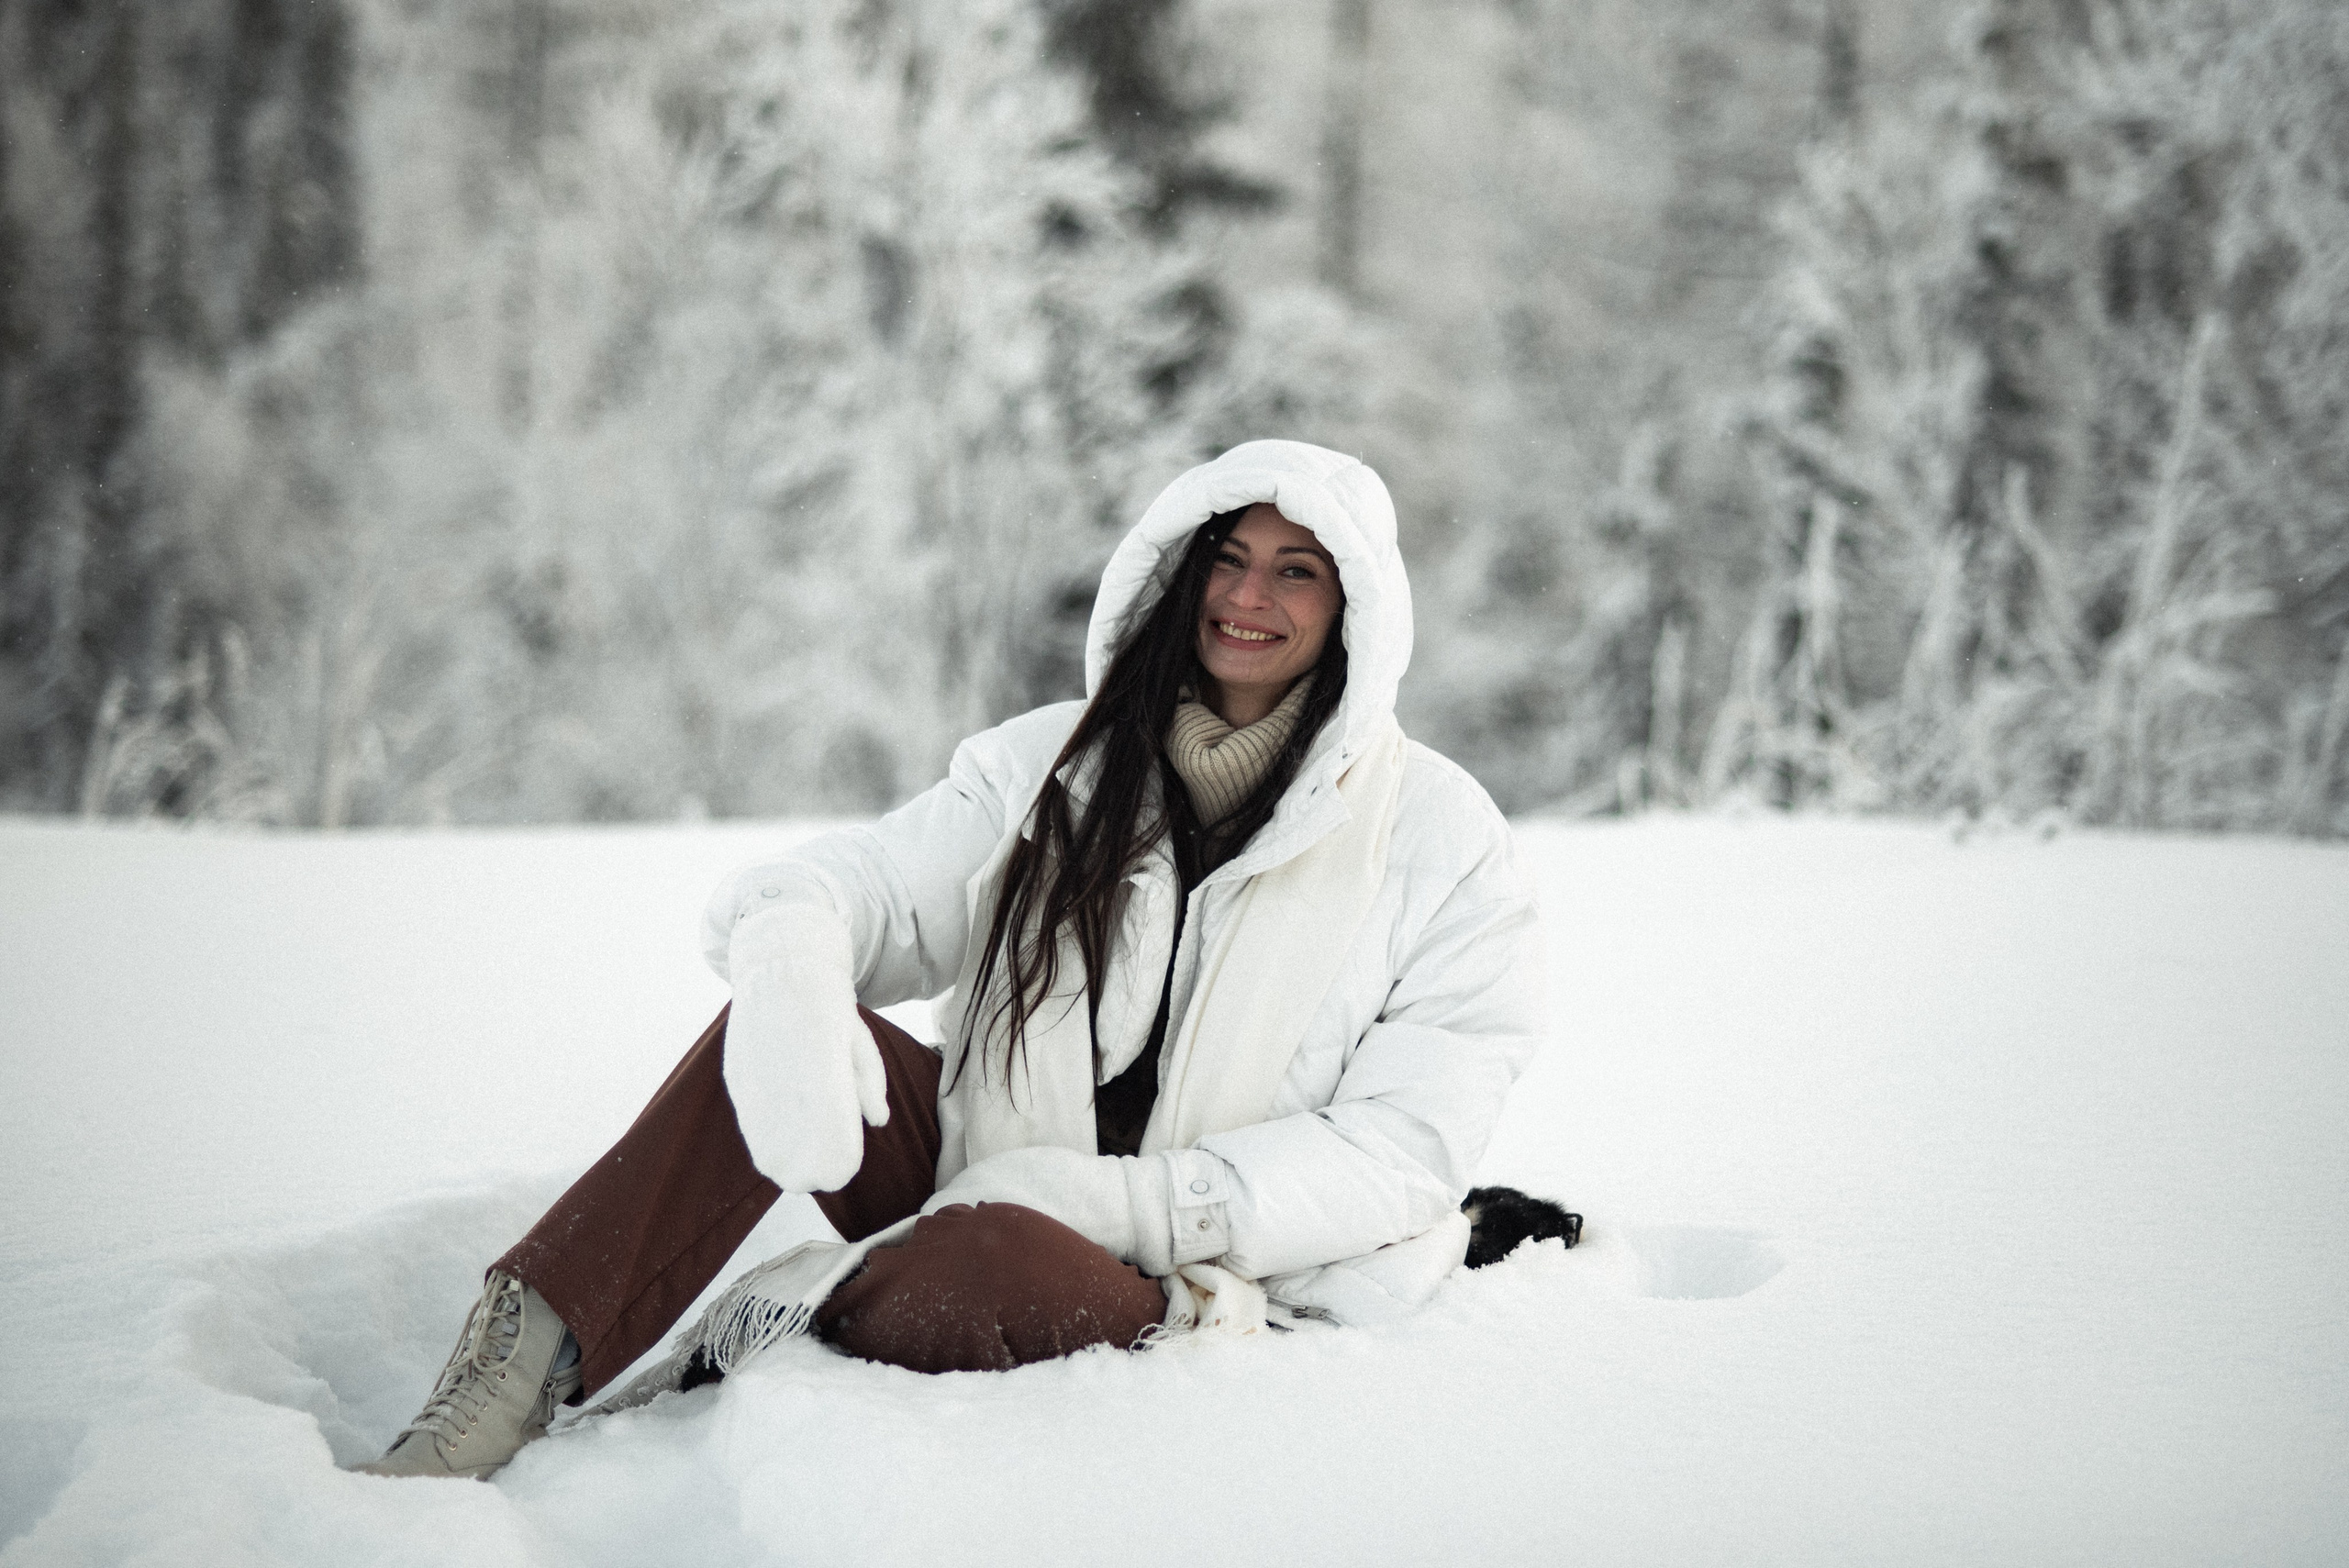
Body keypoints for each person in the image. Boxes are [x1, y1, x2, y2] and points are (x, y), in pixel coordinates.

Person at [357, 439, 1544, 1480]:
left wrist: (1126, 1204)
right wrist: (792, 942)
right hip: (984, 1161)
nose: (1247, 596)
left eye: (1296, 571)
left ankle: (773, 1322)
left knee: (982, 1257)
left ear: (1354, 608)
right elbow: (874, 887)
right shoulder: (1055, 765)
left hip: (1205, 1279)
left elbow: (1404, 1149)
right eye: (1227, 559)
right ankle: (512, 1369)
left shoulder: (1439, 838)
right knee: (777, 1035)